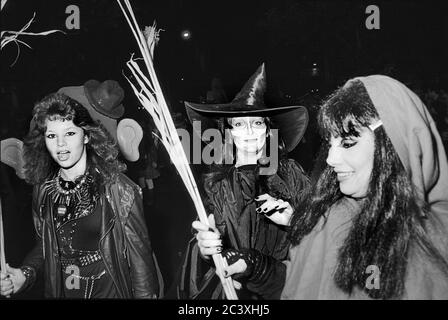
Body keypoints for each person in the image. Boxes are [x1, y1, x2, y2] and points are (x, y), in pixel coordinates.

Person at [222, 75, 448, 299]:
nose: (330, 158)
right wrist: (257, 268)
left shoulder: (434, 243)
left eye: (348, 143)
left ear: (393, 144)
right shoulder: (332, 218)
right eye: (330, 144)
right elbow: (308, 282)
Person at [0, 93, 161, 299]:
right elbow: (45, 245)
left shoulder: (118, 188)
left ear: (86, 136)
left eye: (69, 134)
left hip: (109, 289)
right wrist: (25, 274)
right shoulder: (44, 190)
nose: (60, 144)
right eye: (51, 136)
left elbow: (140, 260)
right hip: (65, 289)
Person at [174, 63, 309, 299]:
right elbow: (201, 248)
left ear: (268, 130)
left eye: (257, 123)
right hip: (231, 290)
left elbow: (323, 234)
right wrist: (206, 249)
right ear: (228, 132)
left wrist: (295, 220)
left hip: (283, 286)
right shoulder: (216, 183)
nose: (248, 132)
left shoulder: (291, 175)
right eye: (238, 124)